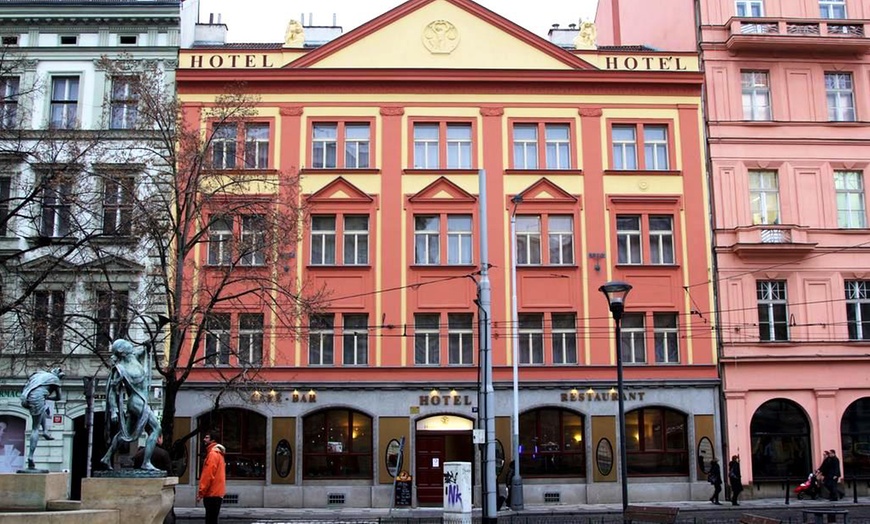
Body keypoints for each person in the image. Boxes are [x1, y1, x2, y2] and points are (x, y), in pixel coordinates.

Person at [99, 339, 161, 470]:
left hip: (141, 401)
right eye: (127, 344)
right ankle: (146, 462)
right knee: (156, 428)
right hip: (136, 401)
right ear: (122, 351)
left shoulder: (134, 357)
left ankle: (106, 457)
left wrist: (148, 345)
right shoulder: (121, 369)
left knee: (124, 434)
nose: (130, 344)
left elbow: (145, 350)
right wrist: (114, 410)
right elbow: (112, 391)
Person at [20, 368, 64, 469]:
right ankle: (30, 456)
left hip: (26, 397)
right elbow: (59, 398)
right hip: (38, 398)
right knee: (35, 428)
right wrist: (48, 397)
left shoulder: (39, 374)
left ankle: (45, 431)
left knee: (42, 408)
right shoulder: (55, 379)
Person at [134, 434, 176, 523]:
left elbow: (136, 472)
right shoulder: (163, 453)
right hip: (161, 489)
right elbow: (169, 472)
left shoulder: (139, 454)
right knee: (166, 514)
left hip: (144, 490)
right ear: (158, 439)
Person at [197, 430, 226, 524]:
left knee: (210, 519)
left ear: (212, 440)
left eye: (207, 437)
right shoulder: (218, 454)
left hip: (211, 493)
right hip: (217, 492)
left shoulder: (212, 454)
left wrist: (201, 492)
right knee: (213, 519)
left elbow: (208, 475)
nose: (204, 439)